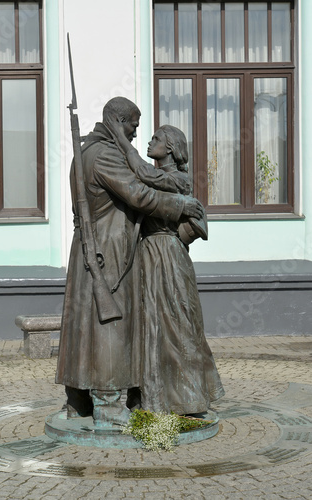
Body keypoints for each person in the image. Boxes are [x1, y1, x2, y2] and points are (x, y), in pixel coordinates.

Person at [55, 97, 204, 426]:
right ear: (117, 120)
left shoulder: (86, 151)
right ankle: (107, 406)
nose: (136, 134)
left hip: (90, 250)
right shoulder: (105, 154)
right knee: (111, 329)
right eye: (133, 126)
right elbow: (138, 193)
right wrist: (181, 206)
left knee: (84, 329)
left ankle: (77, 402)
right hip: (108, 252)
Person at [110, 121, 225, 415]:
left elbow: (145, 173)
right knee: (150, 326)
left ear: (171, 148)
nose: (149, 143)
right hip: (146, 256)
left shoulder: (177, 179)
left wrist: (122, 142)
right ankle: (151, 397)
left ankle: (187, 397)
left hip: (169, 258)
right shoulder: (153, 178)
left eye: (156, 139)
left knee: (178, 325)